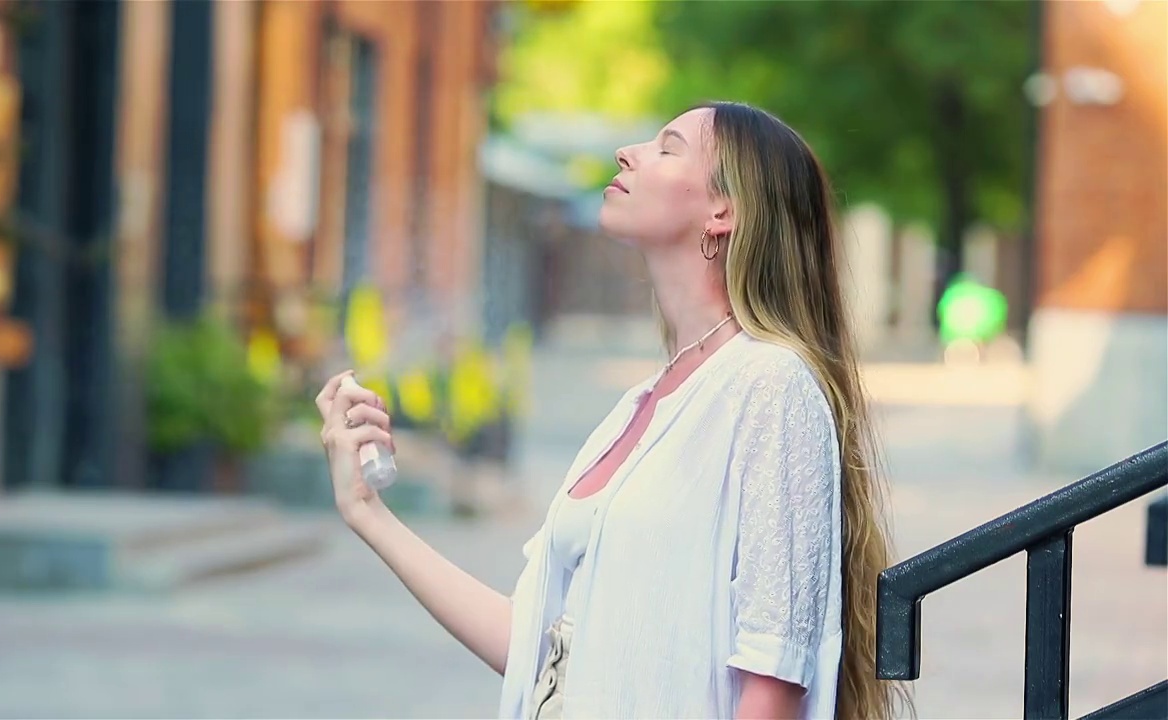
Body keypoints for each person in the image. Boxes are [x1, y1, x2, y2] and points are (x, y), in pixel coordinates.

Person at [314, 101, 906, 719]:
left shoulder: (770, 385)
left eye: (667, 147)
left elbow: (774, 680)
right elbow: (538, 652)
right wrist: (367, 512)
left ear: (723, 210)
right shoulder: (636, 407)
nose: (629, 153)